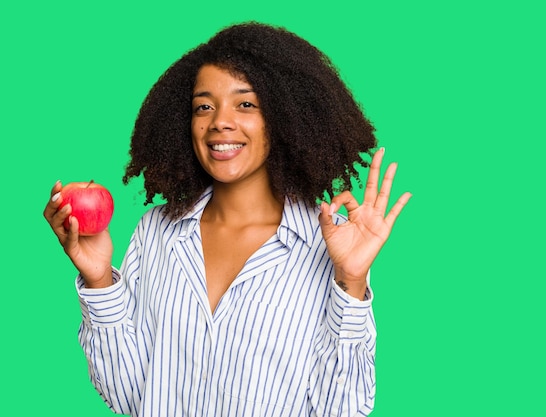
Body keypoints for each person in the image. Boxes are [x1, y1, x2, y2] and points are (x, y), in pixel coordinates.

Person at [43, 22, 411, 416]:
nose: (220, 121)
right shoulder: (156, 232)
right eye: (204, 106)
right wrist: (99, 281)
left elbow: (341, 409)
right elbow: (133, 398)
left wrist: (351, 282)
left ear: (285, 117)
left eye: (246, 104)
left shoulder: (333, 250)